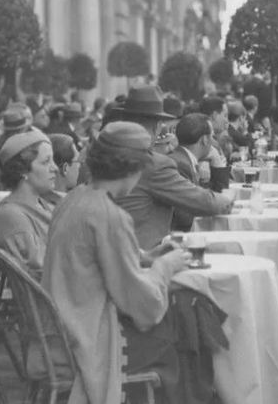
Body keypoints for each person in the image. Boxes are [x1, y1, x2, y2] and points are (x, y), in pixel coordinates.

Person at [41, 121, 190, 404]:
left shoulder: (73, 199)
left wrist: (147, 257)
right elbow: (139, 302)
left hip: (58, 327)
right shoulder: (109, 215)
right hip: (87, 337)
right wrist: (165, 267)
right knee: (189, 329)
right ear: (134, 168)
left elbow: (94, 263)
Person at [109, 87, 232, 249]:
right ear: (158, 126)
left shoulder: (107, 156)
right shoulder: (154, 164)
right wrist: (229, 200)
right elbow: (204, 202)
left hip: (112, 252)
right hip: (144, 254)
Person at [0, 131, 56, 275]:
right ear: (22, 170)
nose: (55, 168)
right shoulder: (11, 216)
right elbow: (38, 270)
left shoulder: (44, 204)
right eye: (46, 162)